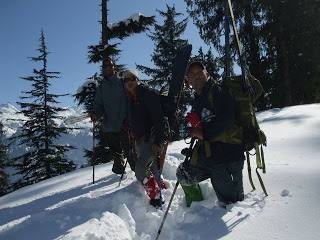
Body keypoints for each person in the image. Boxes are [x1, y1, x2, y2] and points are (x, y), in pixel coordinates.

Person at [176, 61, 245, 208]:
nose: (196, 76)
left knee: (232, 205)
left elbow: (228, 120)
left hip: (229, 155)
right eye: (192, 74)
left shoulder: (218, 92)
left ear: (207, 74)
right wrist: (194, 151)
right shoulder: (197, 101)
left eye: (199, 72)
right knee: (183, 173)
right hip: (210, 156)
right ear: (189, 81)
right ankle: (197, 207)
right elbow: (204, 134)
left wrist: (203, 133)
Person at [123, 69, 169, 208]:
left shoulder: (147, 94)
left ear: (138, 79)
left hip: (151, 139)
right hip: (141, 140)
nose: (129, 82)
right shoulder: (133, 97)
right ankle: (162, 189)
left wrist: (159, 141)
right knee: (153, 168)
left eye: (132, 79)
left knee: (141, 169)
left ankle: (156, 197)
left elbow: (159, 118)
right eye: (126, 80)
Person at [91, 58, 136, 174]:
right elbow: (99, 106)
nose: (107, 68)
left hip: (124, 125)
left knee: (131, 153)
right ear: (102, 69)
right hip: (109, 127)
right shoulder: (101, 88)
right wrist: (96, 114)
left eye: (110, 66)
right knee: (116, 154)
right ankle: (118, 174)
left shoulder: (122, 83)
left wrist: (129, 120)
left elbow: (131, 101)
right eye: (105, 66)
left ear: (114, 67)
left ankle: (139, 174)